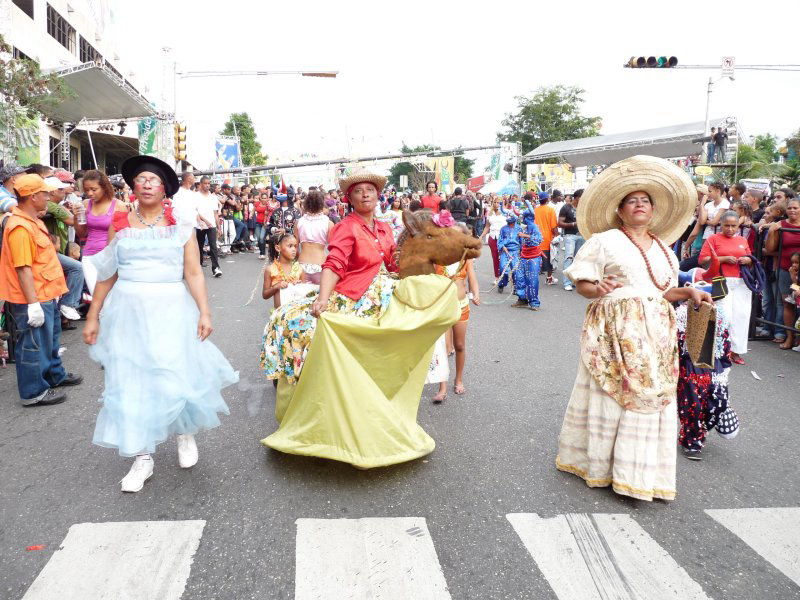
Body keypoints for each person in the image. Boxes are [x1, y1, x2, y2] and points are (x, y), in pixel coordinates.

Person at [260, 168, 478, 468]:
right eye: (359, 190)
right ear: (349, 198)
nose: (365, 194)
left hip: (383, 289)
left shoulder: (385, 228)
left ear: (378, 196)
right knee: (306, 330)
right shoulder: (344, 228)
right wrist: (323, 299)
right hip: (352, 294)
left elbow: (391, 262)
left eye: (371, 190)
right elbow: (334, 264)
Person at [556, 155, 711, 501]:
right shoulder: (604, 241)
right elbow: (583, 283)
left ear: (653, 211)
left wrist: (688, 291)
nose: (639, 206)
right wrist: (597, 290)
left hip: (656, 334)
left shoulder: (665, 251)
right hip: (613, 329)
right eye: (632, 201)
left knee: (651, 396)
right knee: (613, 394)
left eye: (645, 201)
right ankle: (603, 467)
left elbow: (662, 292)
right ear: (620, 211)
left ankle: (639, 472)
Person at [83, 155, 237, 493]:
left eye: (154, 180)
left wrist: (205, 312)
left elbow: (194, 272)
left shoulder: (182, 225)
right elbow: (108, 273)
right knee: (131, 381)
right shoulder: (120, 222)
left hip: (171, 309)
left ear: (165, 188)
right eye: (141, 179)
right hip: (127, 313)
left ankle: (185, 433)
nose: (148, 184)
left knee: (173, 372)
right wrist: (93, 315)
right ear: (133, 187)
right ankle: (142, 458)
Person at [0, 174, 83, 406]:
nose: (49, 197)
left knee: (50, 340)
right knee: (33, 345)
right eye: (45, 193)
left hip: (45, 292)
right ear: (33, 196)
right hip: (33, 296)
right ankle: (33, 392)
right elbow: (23, 269)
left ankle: (53, 375)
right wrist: (33, 303)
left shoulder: (31, 220)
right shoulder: (20, 227)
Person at [699, 210, 753, 364]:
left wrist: (747, 260)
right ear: (721, 225)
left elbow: (751, 258)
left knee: (741, 316)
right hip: (722, 281)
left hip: (742, 282)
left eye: (734, 226)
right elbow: (703, 260)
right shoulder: (713, 238)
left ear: (738, 225)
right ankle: (720, 350)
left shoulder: (743, 239)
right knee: (725, 316)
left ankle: (736, 351)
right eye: (727, 226)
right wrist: (722, 259)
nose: (730, 229)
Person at [74, 170, 126, 294]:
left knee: (112, 298)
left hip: (112, 259)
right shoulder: (86, 204)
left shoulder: (119, 205)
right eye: (86, 190)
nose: (90, 193)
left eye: (94, 189)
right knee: (96, 296)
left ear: (104, 187)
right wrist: (76, 217)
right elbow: (82, 234)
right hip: (90, 256)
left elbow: (124, 236)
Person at [765, 196, 800, 349]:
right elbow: (770, 248)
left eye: (795, 208)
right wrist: (772, 230)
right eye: (790, 208)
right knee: (787, 303)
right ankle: (789, 337)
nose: (792, 210)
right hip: (785, 268)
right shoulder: (780, 225)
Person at [295, 190, 332, 284]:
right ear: (321, 204)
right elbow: (333, 249)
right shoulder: (328, 223)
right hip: (320, 264)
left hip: (302, 263)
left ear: (306, 204)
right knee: (319, 297)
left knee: (299, 297)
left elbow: (295, 248)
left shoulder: (299, 222)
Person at [511, 201, 543, 310]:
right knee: (518, 277)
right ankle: (522, 299)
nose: (523, 219)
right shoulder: (523, 227)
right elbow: (520, 241)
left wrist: (525, 235)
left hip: (534, 257)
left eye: (524, 217)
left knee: (532, 279)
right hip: (523, 256)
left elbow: (538, 240)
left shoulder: (534, 227)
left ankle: (534, 303)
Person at [262, 232, 305, 310]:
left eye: (295, 246)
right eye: (290, 246)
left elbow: (305, 295)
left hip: (296, 314)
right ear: (278, 248)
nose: (294, 249)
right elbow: (265, 295)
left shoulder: (299, 269)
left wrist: (299, 286)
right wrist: (275, 287)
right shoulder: (270, 269)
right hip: (278, 315)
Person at [193, 176, 222, 277]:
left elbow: (215, 213)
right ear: (200, 184)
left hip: (212, 225)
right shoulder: (195, 196)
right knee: (199, 247)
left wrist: (219, 227)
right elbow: (194, 211)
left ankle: (216, 268)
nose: (207, 185)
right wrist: (200, 221)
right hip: (199, 225)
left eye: (209, 183)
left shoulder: (213, 197)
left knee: (213, 246)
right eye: (205, 183)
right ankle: (198, 265)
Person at [559, 189, 584, 291]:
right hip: (569, 235)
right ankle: (567, 282)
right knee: (569, 258)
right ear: (577, 197)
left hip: (581, 235)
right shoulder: (566, 207)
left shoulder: (583, 208)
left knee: (578, 259)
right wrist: (573, 224)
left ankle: (574, 281)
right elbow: (560, 223)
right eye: (582, 197)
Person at [533, 191, 558, 285]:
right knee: (549, 260)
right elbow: (554, 226)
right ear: (547, 199)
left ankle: (533, 278)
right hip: (547, 239)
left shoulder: (535, 210)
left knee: (536, 259)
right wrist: (557, 236)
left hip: (537, 238)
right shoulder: (550, 210)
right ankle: (549, 278)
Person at [267, 194, 301, 261]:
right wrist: (273, 229)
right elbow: (270, 225)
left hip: (291, 241)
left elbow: (298, 227)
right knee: (276, 262)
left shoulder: (295, 211)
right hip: (277, 241)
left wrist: (286, 230)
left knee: (291, 262)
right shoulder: (275, 211)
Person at [481, 197, 506, 283]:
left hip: (503, 238)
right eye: (495, 202)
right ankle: (497, 277)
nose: (496, 204)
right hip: (493, 237)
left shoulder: (505, 213)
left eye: (498, 202)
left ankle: (505, 276)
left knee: (503, 258)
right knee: (495, 258)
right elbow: (487, 227)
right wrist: (481, 236)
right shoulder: (490, 213)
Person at [496, 215, 520, 293]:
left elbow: (521, 241)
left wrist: (522, 251)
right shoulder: (503, 229)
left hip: (515, 251)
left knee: (515, 270)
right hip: (505, 251)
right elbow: (500, 240)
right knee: (503, 268)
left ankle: (516, 287)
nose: (510, 224)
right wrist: (502, 246)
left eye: (511, 222)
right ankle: (501, 284)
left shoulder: (519, 228)